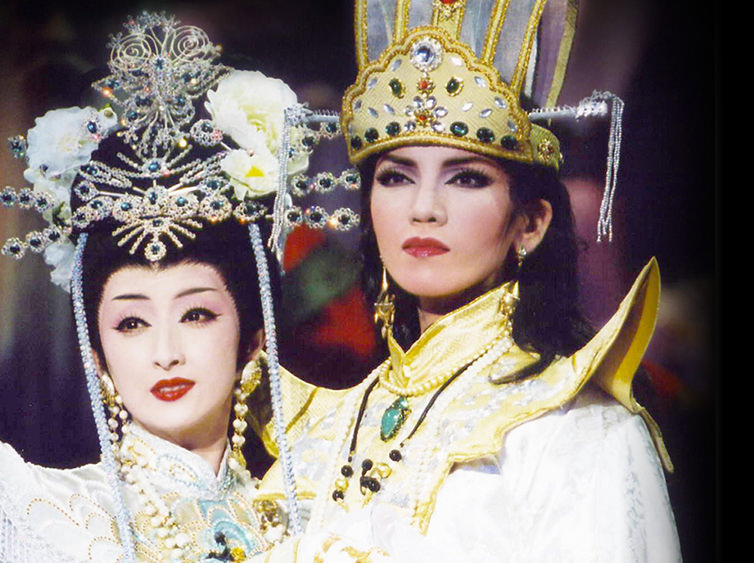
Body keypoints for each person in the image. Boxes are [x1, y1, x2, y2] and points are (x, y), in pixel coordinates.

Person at [251, 0, 681, 560]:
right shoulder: (327, 425)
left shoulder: (572, 426)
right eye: (396, 177)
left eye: (467, 179)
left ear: (530, 224)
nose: (423, 208)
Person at [0, 12, 353, 561]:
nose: (165, 353)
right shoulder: (55, 523)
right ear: (96, 353)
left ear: (253, 340)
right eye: (132, 323)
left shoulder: (310, 516)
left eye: (196, 315)